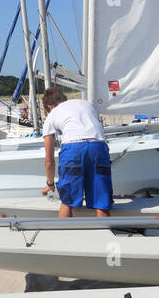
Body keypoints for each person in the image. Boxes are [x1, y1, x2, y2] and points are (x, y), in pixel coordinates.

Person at [40, 88, 112, 218]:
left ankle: (65, 236)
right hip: (98, 146)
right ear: (63, 98)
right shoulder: (85, 104)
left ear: (49, 106)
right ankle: (106, 233)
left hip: (73, 148)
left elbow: (49, 161)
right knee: (102, 204)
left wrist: (50, 185)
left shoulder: (52, 115)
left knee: (67, 202)